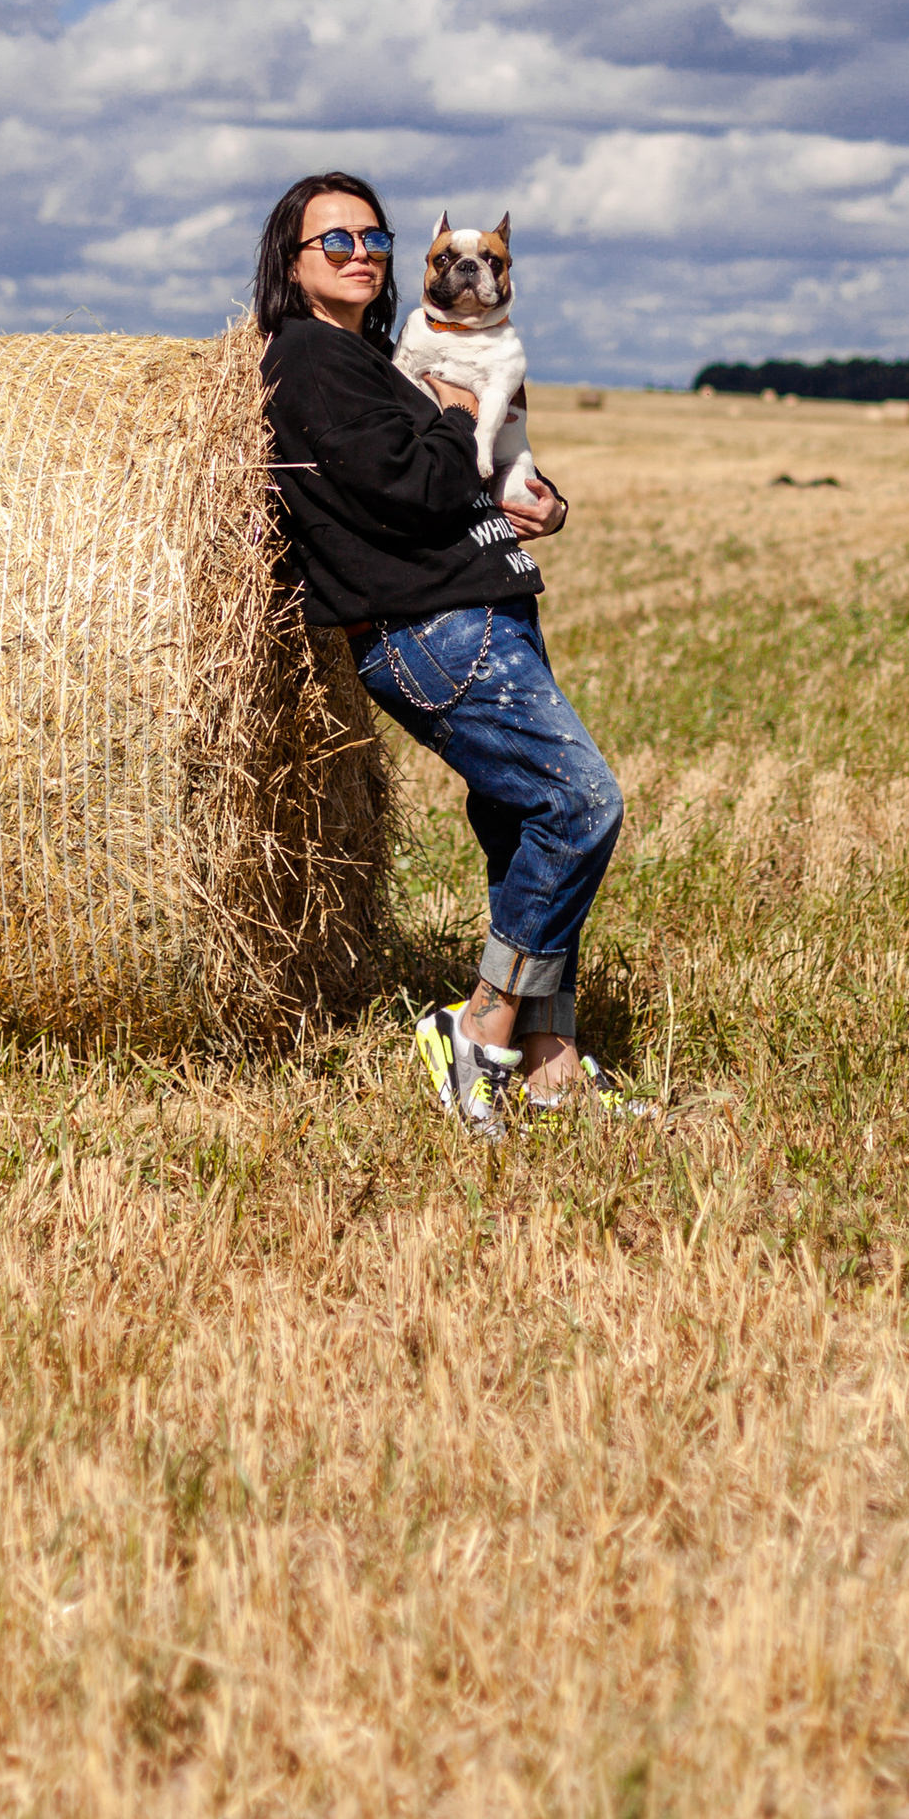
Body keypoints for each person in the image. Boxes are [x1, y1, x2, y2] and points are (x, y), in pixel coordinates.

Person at [253, 168, 639, 1133]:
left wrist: (536, 501)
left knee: (523, 830)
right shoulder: (308, 358)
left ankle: (549, 1067)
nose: (361, 254)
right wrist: (462, 411)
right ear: (293, 263)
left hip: (485, 607)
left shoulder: (376, 359)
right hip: (434, 628)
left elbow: (462, 480)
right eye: (335, 241)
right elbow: (413, 484)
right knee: (579, 804)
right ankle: (478, 1026)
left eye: (374, 239)